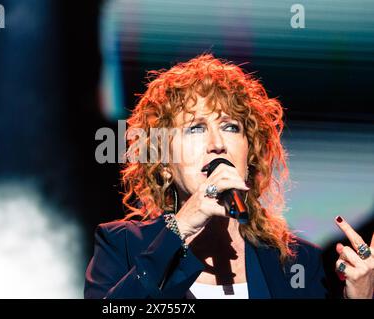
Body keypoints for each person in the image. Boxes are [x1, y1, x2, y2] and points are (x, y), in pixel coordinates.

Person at [84, 54, 373, 299]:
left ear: (251, 155)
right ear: (163, 163)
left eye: (231, 127)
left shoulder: (296, 262)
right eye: (195, 128)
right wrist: (180, 227)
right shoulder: (121, 246)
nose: (217, 143)